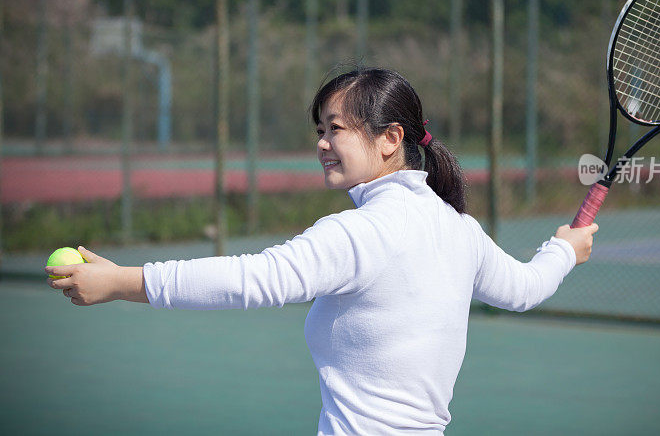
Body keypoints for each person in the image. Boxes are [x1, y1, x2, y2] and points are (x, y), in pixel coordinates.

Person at [46, 67, 598, 435]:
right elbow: (525, 289)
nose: (322, 144)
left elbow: (251, 279)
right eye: (321, 129)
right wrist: (564, 250)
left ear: (391, 138)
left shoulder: (360, 234)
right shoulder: (457, 228)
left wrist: (120, 282)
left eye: (336, 128)